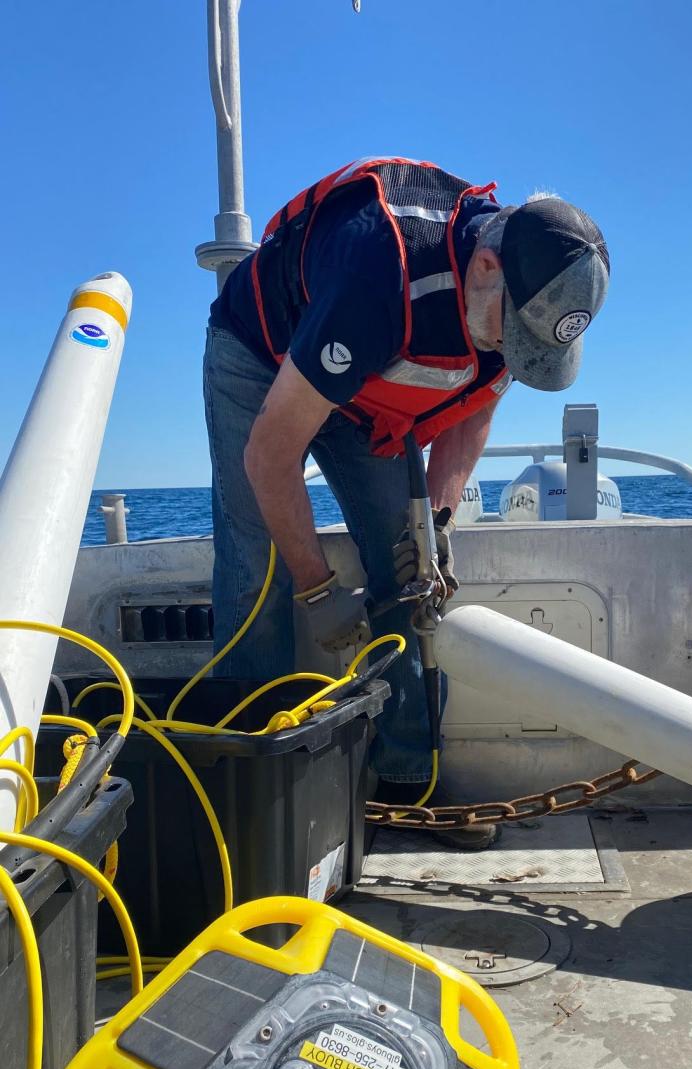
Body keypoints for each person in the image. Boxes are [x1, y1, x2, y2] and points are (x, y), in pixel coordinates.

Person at [204, 156, 610, 849]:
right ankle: (247, 796)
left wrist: (439, 524)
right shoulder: (380, 272)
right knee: (256, 568)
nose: (511, 354)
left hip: (365, 388)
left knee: (410, 571)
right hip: (263, 352)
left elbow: (474, 411)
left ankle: (407, 780)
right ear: (484, 268)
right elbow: (270, 456)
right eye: (509, 336)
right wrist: (315, 588)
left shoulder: (517, 301)